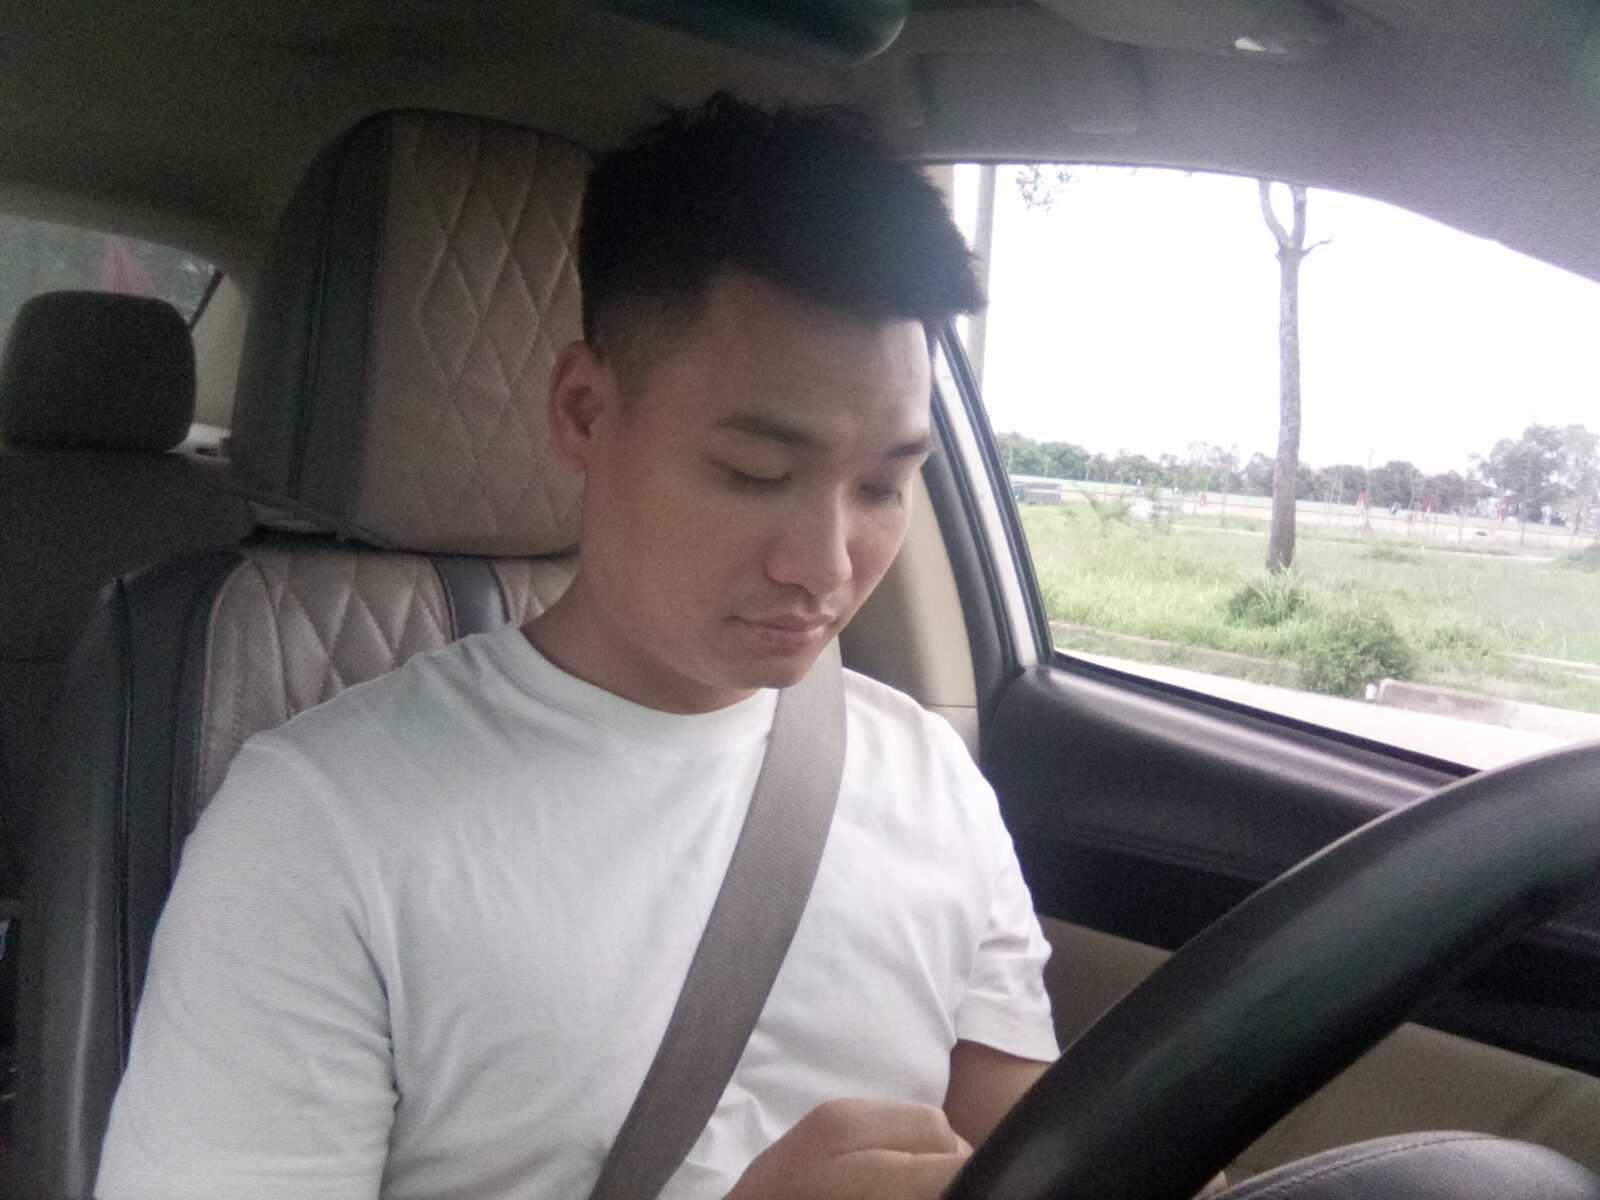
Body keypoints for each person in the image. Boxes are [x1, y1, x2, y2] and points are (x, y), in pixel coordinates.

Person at [95, 96, 1059, 1200]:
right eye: (754, 474)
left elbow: (1051, 1148)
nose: (826, 564)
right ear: (585, 410)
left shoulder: (931, 778)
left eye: (885, 485)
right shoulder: (318, 827)